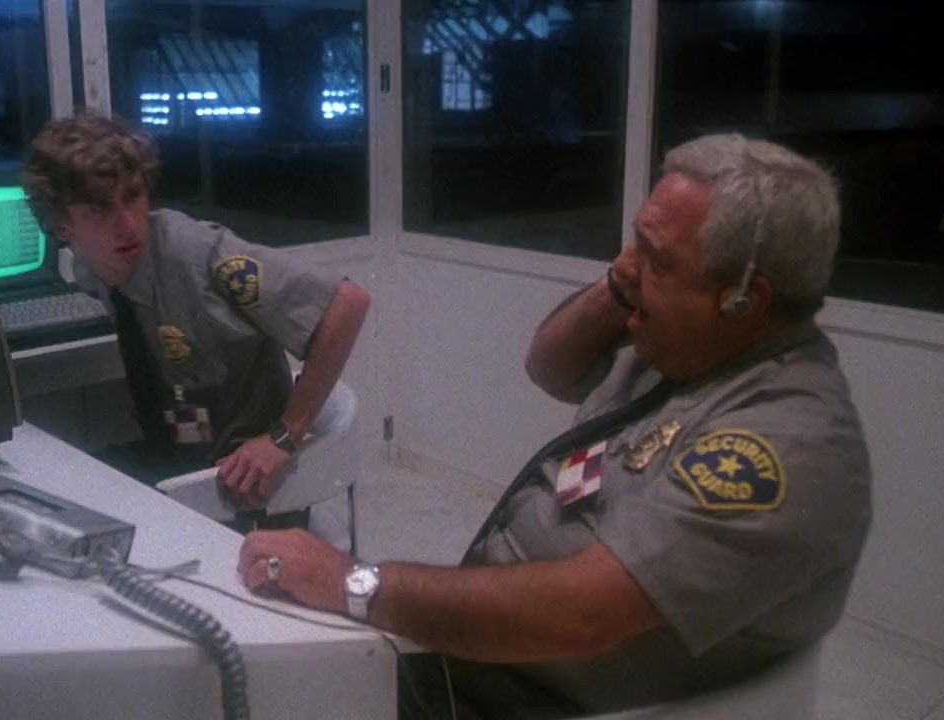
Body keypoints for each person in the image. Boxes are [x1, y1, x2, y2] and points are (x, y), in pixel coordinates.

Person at [237, 133, 873, 717]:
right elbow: (549, 366)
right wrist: (627, 281)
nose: (629, 269)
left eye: (657, 260)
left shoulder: (787, 445)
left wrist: (353, 582)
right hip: (487, 660)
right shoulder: (688, 342)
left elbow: (582, 616)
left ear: (743, 299)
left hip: (522, 698)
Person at [21, 112, 370, 530]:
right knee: (54, 492)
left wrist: (283, 436)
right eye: (100, 208)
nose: (128, 224)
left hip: (244, 479)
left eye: (133, 195)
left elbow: (348, 303)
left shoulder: (197, 254)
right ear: (62, 225)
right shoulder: (88, 267)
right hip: (178, 450)